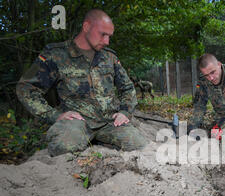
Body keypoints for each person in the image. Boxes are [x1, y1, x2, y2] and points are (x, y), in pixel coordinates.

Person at [16, 9, 148, 157]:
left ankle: (99, 142)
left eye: (109, 36)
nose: (106, 41)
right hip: (77, 123)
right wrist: (53, 115)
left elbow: (128, 88)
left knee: (139, 145)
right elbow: (26, 88)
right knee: (63, 147)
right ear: (86, 27)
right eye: (103, 34)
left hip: (109, 122)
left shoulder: (109, 57)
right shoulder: (56, 55)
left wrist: (124, 112)